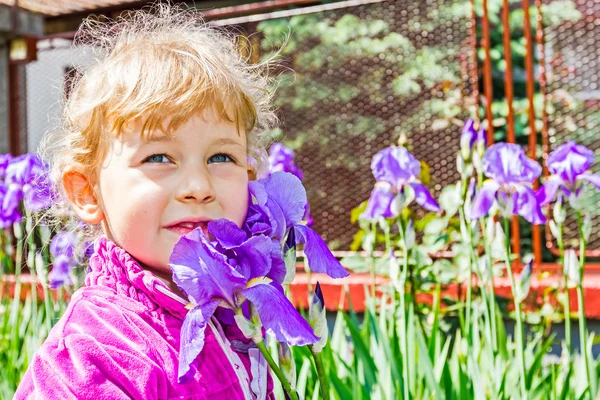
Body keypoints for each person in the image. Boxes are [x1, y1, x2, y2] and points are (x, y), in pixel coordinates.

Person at [15, 3, 278, 399]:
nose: (198, 186)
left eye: (221, 157)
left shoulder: (230, 317)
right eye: (159, 157)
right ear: (87, 192)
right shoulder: (92, 358)